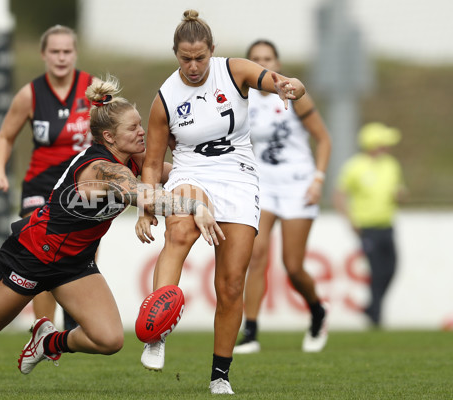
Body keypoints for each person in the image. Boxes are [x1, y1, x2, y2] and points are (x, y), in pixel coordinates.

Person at [0, 76, 224, 375]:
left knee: (109, 340)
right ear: (109, 136)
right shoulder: (104, 169)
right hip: (33, 253)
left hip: (73, 263)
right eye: (133, 128)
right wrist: (194, 207)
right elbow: (146, 196)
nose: (142, 132)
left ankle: (49, 341)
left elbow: (178, 174)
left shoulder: (132, 161)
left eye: (140, 125)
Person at [134, 10, 305, 395]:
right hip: (190, 171)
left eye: (200, 57)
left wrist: (290, 85)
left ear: (212, 51)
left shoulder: (235, 70)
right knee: (178, 233)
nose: (193, 66)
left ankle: (220, 375)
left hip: (239, 175)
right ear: (175, 54)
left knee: (229, 285)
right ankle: (156, 333)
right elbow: (150, 163)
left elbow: (281, 82)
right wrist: (147, 208)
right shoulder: (165, 98)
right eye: (185, 58)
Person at [0, 25, 95, 330]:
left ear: (75, 52)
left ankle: (75, 320)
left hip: (81, 186)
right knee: (41, 253)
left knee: (82, 253)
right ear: (43, 54)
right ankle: (43, 329)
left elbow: (118, 130)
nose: (61, 57)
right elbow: (5, 137)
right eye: (55, 51)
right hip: (42, 185)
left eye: (67, 51)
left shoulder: (94, 90)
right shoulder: (30, 95)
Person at [233, 40, 332, 355]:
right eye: (256, 59)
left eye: (268, 58)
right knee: (255, 254)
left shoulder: (291, 91)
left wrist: (318, 179)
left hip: (298, 185)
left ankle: (317, 311)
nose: (263, 64)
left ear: (277, 61)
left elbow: (324, 139)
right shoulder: (243, 99)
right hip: (263, 186)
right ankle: (251, 333)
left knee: (293, 266)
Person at [333, 122, 405, 327]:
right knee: (376, 270)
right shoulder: (355, 167)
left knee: (391, 269)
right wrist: (350, 220)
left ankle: (372, 307)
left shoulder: (391, 164)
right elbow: (339, 196)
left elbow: (399, 191)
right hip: (367, 228)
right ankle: (376, 317)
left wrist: (401, 196)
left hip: (387, 225)